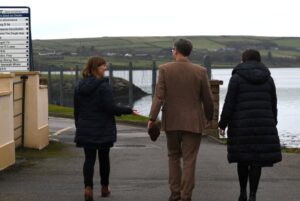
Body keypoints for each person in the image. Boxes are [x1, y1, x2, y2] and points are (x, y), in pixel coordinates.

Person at [148, 38, 214, 201]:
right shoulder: (201, 71)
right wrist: (209, 117)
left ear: (176, 51)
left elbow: (159, 96)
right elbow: (208, 99)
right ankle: (186, 196)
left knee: (173, 156)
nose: (172, 51)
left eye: (172, 49)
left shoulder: (164, 69)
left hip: (172, 121)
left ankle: (175, 193)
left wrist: (152, 118)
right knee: (190, 160)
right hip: (193, 122)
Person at [218, 49, 282, 201]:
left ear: (243, 60)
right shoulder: (268, 79)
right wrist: (273, 121)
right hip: (263, 125)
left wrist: (223, 123)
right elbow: (273, 103)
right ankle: (253, 194)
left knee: (243, 159)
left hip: (241, 125)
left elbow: (229, 103)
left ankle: (242, 193)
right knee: (256, 161)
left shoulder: (236, 78)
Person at [74, 56, 137, 201]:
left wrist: (79, 126)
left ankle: (88, 189)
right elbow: (110, 108)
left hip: (86, 128)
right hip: (103, 128)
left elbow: (77, 110)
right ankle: (104, 188)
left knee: (89, 159)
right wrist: (129, 110)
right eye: (103, 66)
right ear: (96, 67)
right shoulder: (104, 85)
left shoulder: (79, 85)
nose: (105, 68)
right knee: (104, 159)